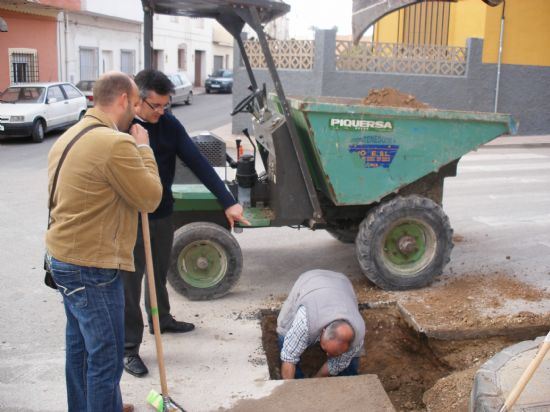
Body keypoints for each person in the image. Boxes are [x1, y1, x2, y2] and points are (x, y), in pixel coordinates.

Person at [46, 72, 162, 412]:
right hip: (92, 268)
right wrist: (144, 149)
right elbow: (150, 198)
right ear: (124, 99)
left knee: (81, 349)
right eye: (138, 103)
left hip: (64, 259)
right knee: (106, 358)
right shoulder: (115, 143)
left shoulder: (71, 134)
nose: (139, 112)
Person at [122, 69, 249, 378]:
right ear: (138, 100)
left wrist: (227, 201)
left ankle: (160, 319)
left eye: (166, 106)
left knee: (159, 270)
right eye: (157, 106)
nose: (163, 112)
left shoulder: (168, 125)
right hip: (129, 218)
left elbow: (198, 162)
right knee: (131, 281)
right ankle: (128, 348)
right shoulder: (121, 128)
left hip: (162, 212)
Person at [276, 269, 366, 379]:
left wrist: (315, 383)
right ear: (323, 330)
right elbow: (289, 358)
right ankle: (297, 380)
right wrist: (291, 390)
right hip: (309, 282)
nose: (327, 356)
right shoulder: (305, 322)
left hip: (341, 283)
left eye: (334, 354)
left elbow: (335, 364)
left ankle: (348, 380)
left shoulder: (358, 335)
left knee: (350, 359)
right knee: (285, 333)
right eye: (325, 349)